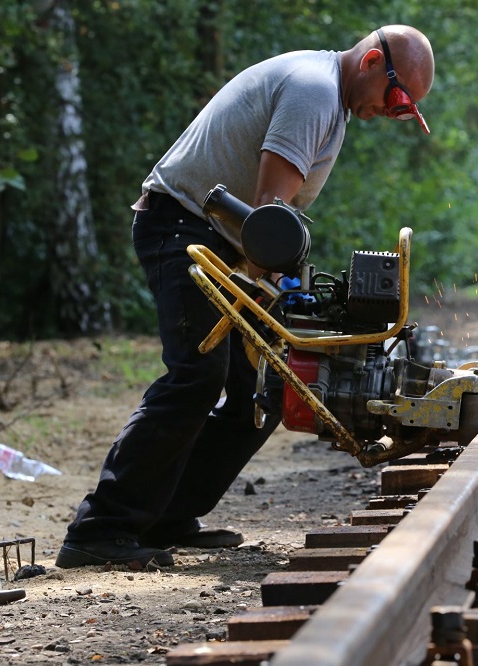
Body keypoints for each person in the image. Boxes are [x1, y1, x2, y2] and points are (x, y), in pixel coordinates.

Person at [55, 25, 435, 569]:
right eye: (396, 99)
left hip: (219, 238)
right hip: (182, 227)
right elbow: (266, 222)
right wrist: (281, 288)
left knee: (262, 385)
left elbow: (269, 230)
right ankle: (100, 529)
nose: (391, 113)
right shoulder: (314, 92)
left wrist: (286, 291)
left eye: (406, 110)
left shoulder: (331, 96)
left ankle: (167, 517)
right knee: (197, 375)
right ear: (373, 61)